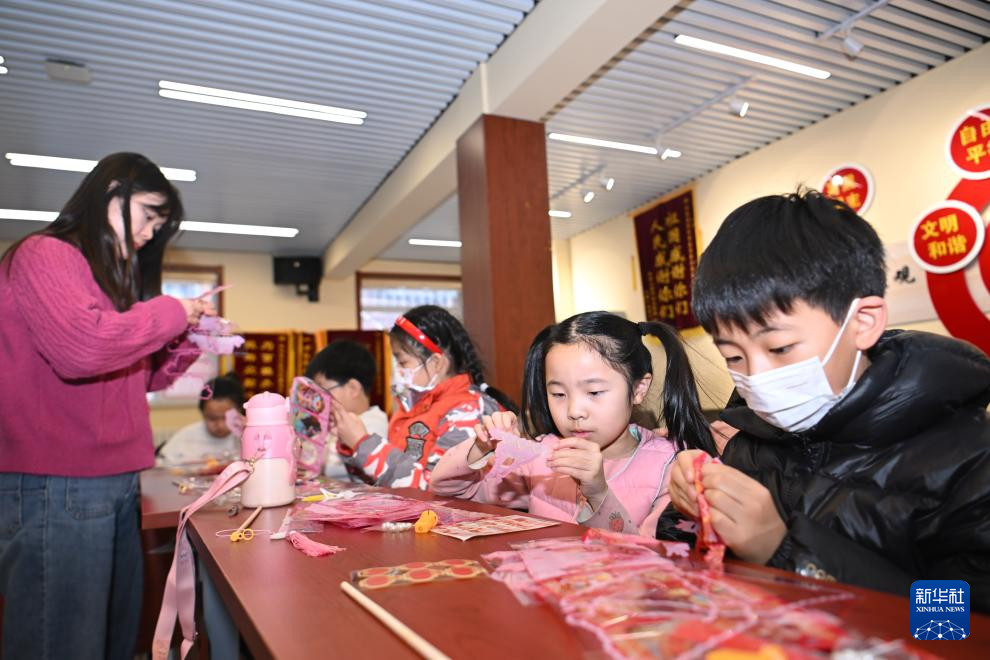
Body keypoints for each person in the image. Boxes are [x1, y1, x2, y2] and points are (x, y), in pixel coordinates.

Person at [661, 190, 990, 611]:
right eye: (733, 357)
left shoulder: (971, 460)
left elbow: (959, 626)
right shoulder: (750, 440)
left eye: (780, 348)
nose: (756, 378)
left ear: (862, 322)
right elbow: (695, 580)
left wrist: (783, 550)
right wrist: (691, 511)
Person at [0, 152, 215, 657]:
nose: (148, 234)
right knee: (65, 642)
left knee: (111, 637)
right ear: (112, 191)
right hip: (58, 479)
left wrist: (191, 337)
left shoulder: (104, 278)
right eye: (148, 215)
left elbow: (139, 378)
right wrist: (169, 311)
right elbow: (82, 350)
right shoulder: (45, 253)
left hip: (110, 478)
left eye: (158, 226)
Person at [431, 311, 717, 536]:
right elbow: (451, 493)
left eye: (594, 392)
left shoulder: (670, 466)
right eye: (558, 394)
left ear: (639, 388)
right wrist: (481, 448)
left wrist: (598, 494)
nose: (574, 411)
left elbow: (657, 560)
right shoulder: (542, 455)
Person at [332, 305, 515, 489]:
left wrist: (363, 444)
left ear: (436, 363)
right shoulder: (412, 409)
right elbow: (383, 483)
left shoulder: (468, 411)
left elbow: (438, 488)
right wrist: (352, 445)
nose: (398, 371)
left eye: (403, 362)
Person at [302, 340, 388, 479]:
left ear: (353, 389)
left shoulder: (375, 424)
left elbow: (333, 464)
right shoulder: (332, 422)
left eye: (322, 390)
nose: (317, 400)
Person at [157, 373, 245, 465]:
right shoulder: (186, 437)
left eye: (227, 418)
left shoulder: (244, 436)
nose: (220, 425)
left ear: (239, 411)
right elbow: (161, 464)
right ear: (202, 412)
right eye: (212, 419)